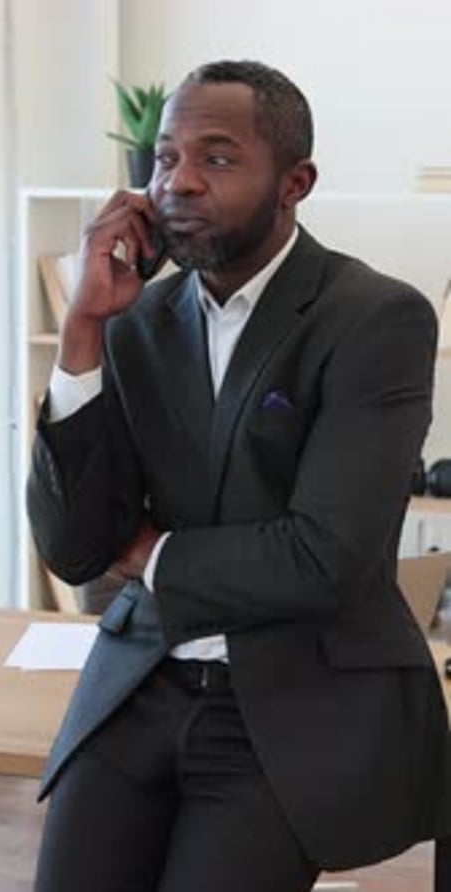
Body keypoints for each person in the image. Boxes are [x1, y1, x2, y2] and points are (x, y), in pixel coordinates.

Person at [28, 60, 451, 892]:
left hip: (288, 699)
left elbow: (324, 555)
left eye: (216, 159)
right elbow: (75, 546)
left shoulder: (376, 317)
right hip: (142, 679)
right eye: (164, 158)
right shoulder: (136, 319)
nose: (178, 181)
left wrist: (149, 552)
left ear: (295, 182)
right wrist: (81, 331)